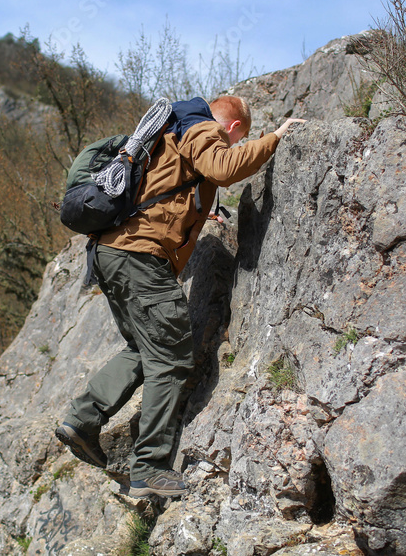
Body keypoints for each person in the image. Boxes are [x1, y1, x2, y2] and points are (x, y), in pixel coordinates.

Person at [55, 95, 305, 497]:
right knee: (171, 355)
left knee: (143, 347)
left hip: (110, 252)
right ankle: (150, 468)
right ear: (235, 128)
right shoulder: (205, 128)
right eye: (239, 136)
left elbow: (169, 191)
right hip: (140, 257)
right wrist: (275, 138)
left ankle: (82, 419)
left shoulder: (166, 134)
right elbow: (224, 168)